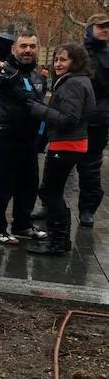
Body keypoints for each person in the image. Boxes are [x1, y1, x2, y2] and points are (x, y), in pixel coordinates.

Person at [21, 44, 94, 256]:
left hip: (66, 144)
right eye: (56, 60)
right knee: (53, 192)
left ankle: (57, 242)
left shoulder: (74, 84)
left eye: (63, 60)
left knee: (51, 193)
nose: (58, 64)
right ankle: (60, 240)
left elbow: (69, 119)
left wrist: (38, 109)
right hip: (70, 143)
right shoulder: (79, 80)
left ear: (76, 61)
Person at [0, 29, 48, 244]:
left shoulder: (38, 74)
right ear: (14, 49)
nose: (28, 50)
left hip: (30, 137)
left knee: (29, 184)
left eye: (32, 46)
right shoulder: (3, 69)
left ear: (37, 49)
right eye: (23, 46)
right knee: (3, 185)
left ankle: (22, 225)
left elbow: (39, 103)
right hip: (5, 135)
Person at [76, 13, 109, 227]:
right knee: (59, 165)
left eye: (108, 27)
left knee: (90, 168)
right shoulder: (76, 53)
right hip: (72, 117)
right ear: (90, 28)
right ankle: (49, 205)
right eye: (101, 26)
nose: (106, 30)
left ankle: (87, 209)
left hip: (98, 120)